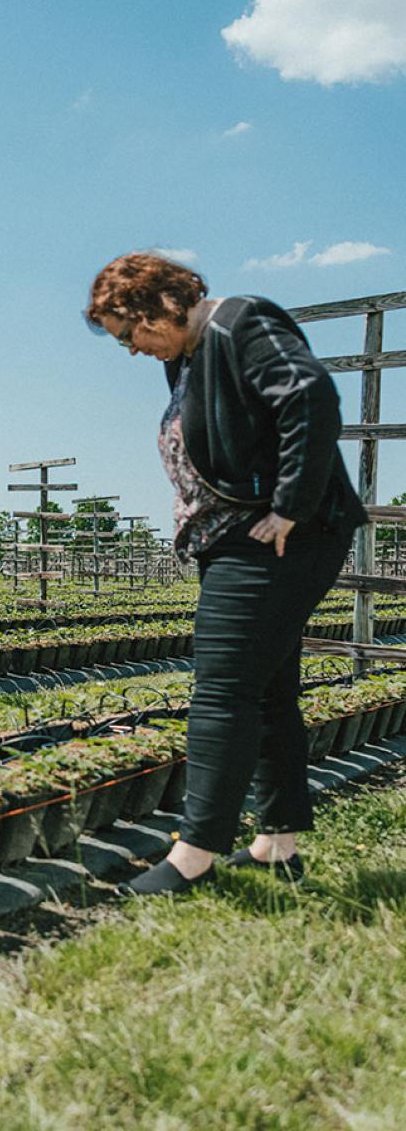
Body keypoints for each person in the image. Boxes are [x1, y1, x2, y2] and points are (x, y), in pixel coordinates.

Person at [84, 252, 366, 895]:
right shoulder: (186, 357)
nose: (132, 349)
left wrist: (289, 506)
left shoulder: (240, 323)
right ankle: (276, 845)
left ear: (158, 305)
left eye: (131, 333)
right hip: (236, 542)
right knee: (265, 688)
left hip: (273, 540)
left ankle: (194, 855)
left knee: (220, 689)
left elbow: (309, 395)